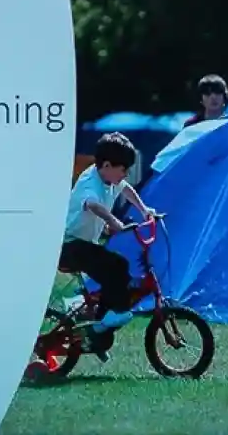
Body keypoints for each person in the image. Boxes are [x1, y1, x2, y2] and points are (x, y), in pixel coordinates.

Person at [62, 132, 148, 357]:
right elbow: (93, 205)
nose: (126, 174)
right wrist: (114, 222)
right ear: (107, 165)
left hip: (84, 243)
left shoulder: (111, 179)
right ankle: (103, 322)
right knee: (116, 266)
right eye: (123, 169)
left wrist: (144, 210)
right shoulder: (89, 182)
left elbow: (127, 189)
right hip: (70, 246)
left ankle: (97, 331)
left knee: (115, 268)